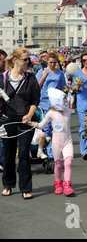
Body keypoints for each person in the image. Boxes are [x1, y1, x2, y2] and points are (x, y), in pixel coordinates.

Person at [1, 48, 40, 199]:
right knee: (8, 153)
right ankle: (8, 184)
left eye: (28, 59)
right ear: (16, 60)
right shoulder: (3, 78)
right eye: (25, 59)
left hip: (26, 120)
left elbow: (35, 100)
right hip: (7, 118)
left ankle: (25, 187)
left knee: (24, 153)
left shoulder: (30, 78)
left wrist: (29, 114)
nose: (28, 62)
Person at [26, 88, 75, 196]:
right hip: (56, 143)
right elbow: (40, 125)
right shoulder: (50, 114)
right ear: (56, 100)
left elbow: (69, 103)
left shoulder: (67, 111)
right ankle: (58, 184)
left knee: (68, 162)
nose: (65, 101)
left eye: (65, 98)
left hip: (68, 141)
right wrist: (28, 123)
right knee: (58, 164)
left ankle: (67, 185)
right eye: (63, 99)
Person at [35, 50, 67, 160]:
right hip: (44, 103)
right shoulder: (42, 72)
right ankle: (50, 153)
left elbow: (62, 87)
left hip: (56, 103)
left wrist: (64, 100)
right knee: (47, 128)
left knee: (57, 128)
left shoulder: (60, 73)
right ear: (47, 61)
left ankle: (56, 150)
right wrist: (43, 76)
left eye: (54, 62)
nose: (53, 64)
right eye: (51, 62)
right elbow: (37, 87)